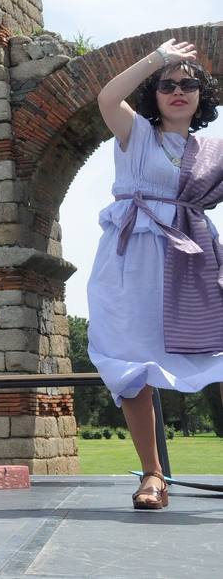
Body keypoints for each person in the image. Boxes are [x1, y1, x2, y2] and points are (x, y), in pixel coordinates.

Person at [89, 38, 223, 510]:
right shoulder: (137, 134)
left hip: (192, 260)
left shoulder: (213, 150)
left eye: (188, 85)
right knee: (129, 363)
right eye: (168, 85)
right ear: (155, 94)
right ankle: (153, 474)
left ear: (202, 97)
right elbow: (107, 97)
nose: (178, 91)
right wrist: (157, 59)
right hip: (131, 259)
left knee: (218, 353)